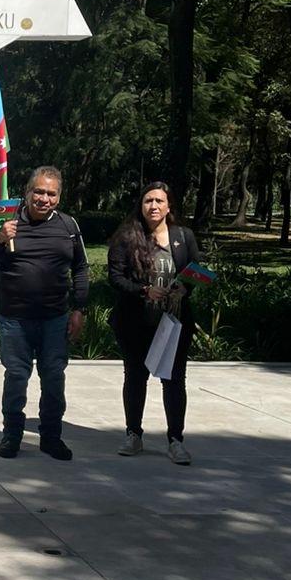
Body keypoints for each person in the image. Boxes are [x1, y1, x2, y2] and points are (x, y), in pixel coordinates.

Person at [0, 165, 89, 461]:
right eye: (38, 191)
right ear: (26, 193)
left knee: (53, 377)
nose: (44, 198)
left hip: (55, 318)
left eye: (51, 193)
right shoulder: (7, 223)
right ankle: (11, 435)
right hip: (15, 319)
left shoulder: (68, 226)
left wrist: (79, 309)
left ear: (59, 197)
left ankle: (51, 437)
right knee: (16, 376)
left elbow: (80, 268)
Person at [107, 181, 201, 464]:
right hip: (136, 321)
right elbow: (116, 277)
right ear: (141, 205)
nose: (154, 206)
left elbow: (195, 270)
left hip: (173, 322)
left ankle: (176, 440)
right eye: (149, 201)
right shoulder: (127, 237)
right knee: (135, 377)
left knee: (174, 381)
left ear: (169, 206)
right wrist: (144, 290)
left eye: (160, 201)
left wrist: (185, 289)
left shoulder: (183, 237)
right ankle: (133, 434)